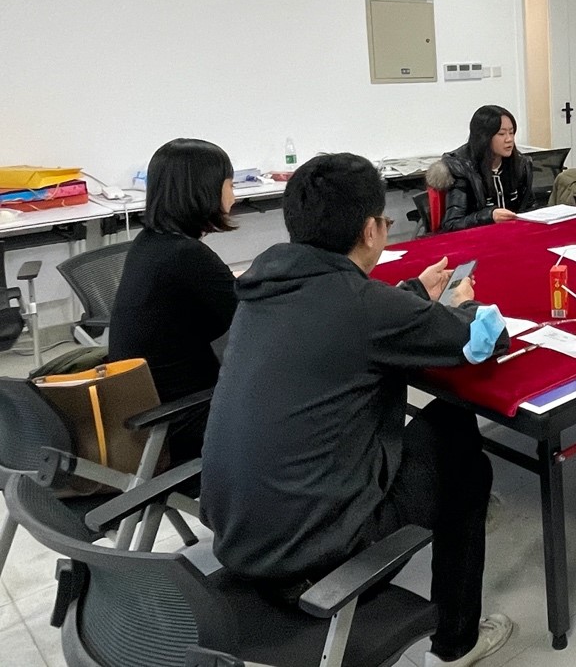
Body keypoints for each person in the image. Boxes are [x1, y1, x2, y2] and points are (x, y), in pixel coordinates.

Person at [200, 153, 513, 667]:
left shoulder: (262, 287)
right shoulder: (363, 305)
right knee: (466, 463)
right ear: (371, 230)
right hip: (315, 554)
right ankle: (456, 643)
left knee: (449, 423)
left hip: (238, 533)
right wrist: (462, 306)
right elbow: (482, 340)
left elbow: (348, 318)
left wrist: (414, 294)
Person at [109, 138, 237, 462]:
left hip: (145, 412)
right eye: (230, 185)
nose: (234, 197)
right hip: (180, 418)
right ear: (205, 190)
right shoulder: (186, 255)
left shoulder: (150, 243)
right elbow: (253, 316)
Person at [431, 105, 534, 232]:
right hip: (478, 237)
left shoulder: (520, 164)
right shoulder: (462, 168)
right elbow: (452, 224)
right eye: (501, 134)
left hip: (514, 233)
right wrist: (489, 216)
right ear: (484, 137)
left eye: (511, 132)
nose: (509, 139)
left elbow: (530, 206)